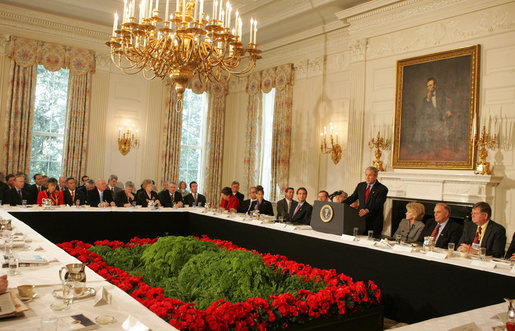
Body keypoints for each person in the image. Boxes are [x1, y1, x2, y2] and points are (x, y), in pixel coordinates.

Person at [343, 166, 388, 236]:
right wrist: (341, 204)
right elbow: (353, 197)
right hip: (360, 220)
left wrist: (367, 210)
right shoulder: (361, 185)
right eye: (366, 175)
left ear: (376, 176)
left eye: (370, 175)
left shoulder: (382, 189)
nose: (367, 177)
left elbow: (378, 204)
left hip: (374, 222)